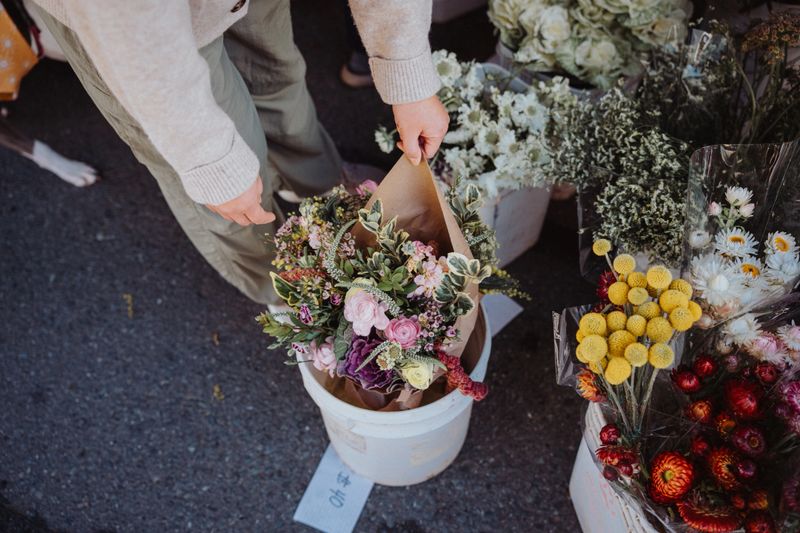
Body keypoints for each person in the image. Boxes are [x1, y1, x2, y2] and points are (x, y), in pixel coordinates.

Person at [28, 0, 450, 306]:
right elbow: (128, 26)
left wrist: (405, 68)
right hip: (133, 32)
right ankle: (286, 288)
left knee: (278, 77)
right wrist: (209, 160)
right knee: (224, 195)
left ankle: (322, 193)